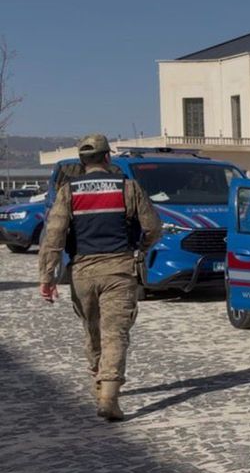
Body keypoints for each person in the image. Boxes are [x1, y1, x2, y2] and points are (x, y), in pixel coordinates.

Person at [37, 134, 162, 421]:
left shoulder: (68, 191)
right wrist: (140, 248)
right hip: (119, 270)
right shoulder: (128, 187)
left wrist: (47, 277)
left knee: (92, 329)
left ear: (82, 162)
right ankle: (109, 397)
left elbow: (54, 236)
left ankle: (98, 382)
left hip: (83, 271)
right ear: (108, 158)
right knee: (115, 333)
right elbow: (153, 227)